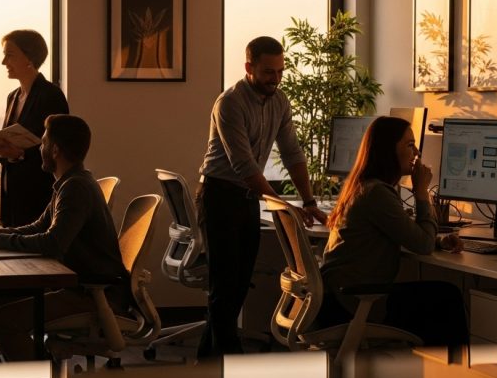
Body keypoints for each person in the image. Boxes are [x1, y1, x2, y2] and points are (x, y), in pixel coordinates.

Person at [196, 35, 327, 358]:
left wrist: (308, 201)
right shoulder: (230, 103)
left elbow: (292, 154)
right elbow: (244, 166)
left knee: (239, 285)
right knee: (225, 286)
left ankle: (206, 361)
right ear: (249, 67)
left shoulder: (280, 102)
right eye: (269, 72)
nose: (276, 79)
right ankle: (229, 362)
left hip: (246, 199)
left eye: (280, 71)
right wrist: (283, 206)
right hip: (219, 196)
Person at [0, 114, 126, 361]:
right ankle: (36, 366)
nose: (39, 148)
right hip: (79, 286)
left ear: (55, 150)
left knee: (5, 319)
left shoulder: (75, 187)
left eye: (43, 142)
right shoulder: (69, 182)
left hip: (92, 293)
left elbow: (53, 243)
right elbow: (39, 227)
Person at [319, 115, 468, 346]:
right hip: (354, 302)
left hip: (338, 296)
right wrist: (421, 192)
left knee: (438, 295)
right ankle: (453, 368)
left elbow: (406, 233)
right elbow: (422, 245)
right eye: (410, 145)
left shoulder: (364, 186)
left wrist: (439, 241)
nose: (417, 152)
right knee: (447, 296)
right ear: (388, 150)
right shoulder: (377, 193)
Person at [0, 29, 68, 227]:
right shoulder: (13, 97)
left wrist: (20, 154)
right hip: (10, 195)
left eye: (10, 55)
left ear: (29, 58)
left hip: (37, 193)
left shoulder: (51, 95)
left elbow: (59, 148)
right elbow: (9, 143)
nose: (3, 62)